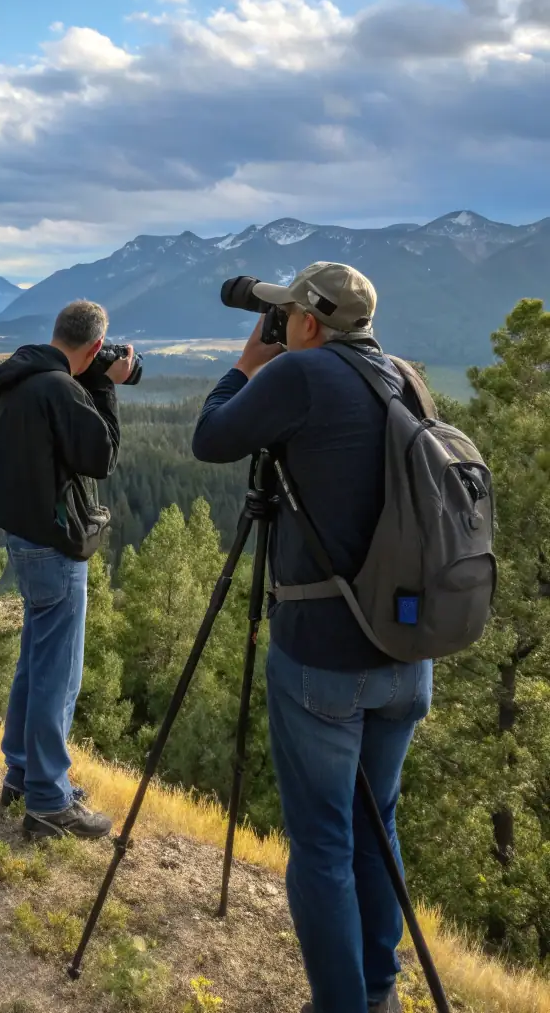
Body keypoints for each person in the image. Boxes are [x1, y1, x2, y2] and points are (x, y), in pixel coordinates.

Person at [191, 263, 431, 1013]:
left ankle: (341, 1006)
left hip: (325, 657)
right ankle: (379, 992)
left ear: (305, 323)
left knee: (322, 842)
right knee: (375, 827)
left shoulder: (301, 377)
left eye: (284, 315)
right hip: (407, 653)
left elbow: (209, 438)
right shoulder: (406, 378)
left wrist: (243, 366)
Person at [0, 300, 135, 841]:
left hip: (23, 535)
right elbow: (102, 458)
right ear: (93, 349)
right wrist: (107, 387)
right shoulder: (60, 388)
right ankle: (48, 799)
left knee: (36, 657)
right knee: (58, 672)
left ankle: (23, 773)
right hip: (53, 541)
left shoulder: (24, 374)